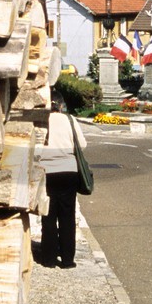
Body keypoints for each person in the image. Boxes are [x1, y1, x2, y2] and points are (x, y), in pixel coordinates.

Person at [37, 96, 87, 268]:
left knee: (48, 217)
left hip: (46, 172)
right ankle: (67, 260)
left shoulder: (39, 120)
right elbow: (82, 144)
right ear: (60, 105)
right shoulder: (69, 119)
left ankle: (48, 258)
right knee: (67, 217)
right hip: (68, 171)